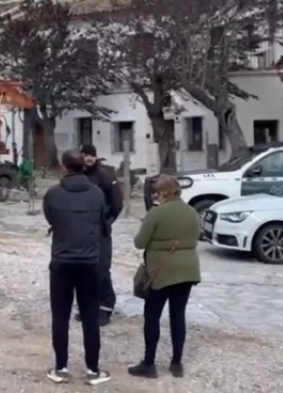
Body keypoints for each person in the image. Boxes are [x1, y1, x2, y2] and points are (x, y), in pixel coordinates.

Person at [43, 149, 111, 386]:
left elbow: (50, 218)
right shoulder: (97, 194)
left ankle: (61, 367)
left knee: (60, 316)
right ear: (84, 165)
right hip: (90, 261)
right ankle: (93, 369)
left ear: (64, 167)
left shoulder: (53, 193)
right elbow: (103, 219)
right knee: (91, 316)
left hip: (61, 261)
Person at [129, 174, 201, 379]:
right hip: (188, 269)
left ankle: (149, 363)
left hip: (161, 271)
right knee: (178, 315)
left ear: (161, 193)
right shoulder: (192, 212)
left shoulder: (156, 213)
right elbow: (195, 237)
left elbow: (139, 242)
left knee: (152, 316)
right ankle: (176, 363)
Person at [78, 144, 122, 326]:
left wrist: (107, 222)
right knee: (84, 271)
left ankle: (105, 308)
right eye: (84, 155)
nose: (88, 158)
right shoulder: (78, 176)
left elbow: (117, 204)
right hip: (81, 233)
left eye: (91, 155)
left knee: (101, 270)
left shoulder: (105, 177)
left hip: (100, 233)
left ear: (95, 157)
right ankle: (88, 308)